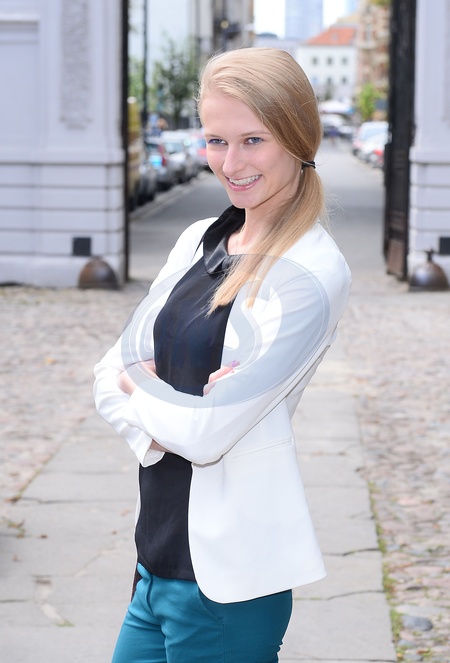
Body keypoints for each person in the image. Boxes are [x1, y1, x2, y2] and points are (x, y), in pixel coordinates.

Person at [94, 47, 351, 663]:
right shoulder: (198, 240)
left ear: (298, 137)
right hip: (155, 560)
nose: (230, 164)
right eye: (216, 140)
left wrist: (139, 383)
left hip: (228, 586)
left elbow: (206, 435)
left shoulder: (310, 274)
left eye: (252, 140)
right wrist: (156, 399)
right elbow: (106, 372)